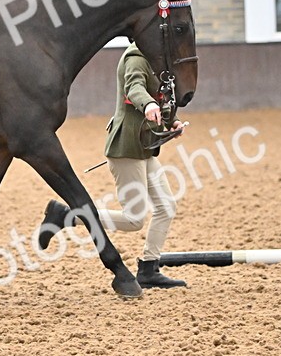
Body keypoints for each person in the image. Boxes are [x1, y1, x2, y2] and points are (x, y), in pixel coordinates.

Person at [39, 41, 187, 289]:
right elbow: (135, 89)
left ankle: (149, 268)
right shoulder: (137, 58)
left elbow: (158, 97)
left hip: (145, 148)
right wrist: (148, 105)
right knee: (134, 220)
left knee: (166, 206)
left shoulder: (156, 60)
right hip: (127, 149)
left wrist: (173, 122)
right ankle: (68, 217)